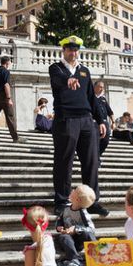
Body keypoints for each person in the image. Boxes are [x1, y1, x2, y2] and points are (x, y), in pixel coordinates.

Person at [49, 35, 108, 217]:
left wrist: (100, 120)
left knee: (91, 162)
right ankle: (61, 200)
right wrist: (67, 80)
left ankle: (92, 201)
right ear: (64, 50)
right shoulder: (56, 68)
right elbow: (58, 81)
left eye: (76, 50)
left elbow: (92, 97)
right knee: (64, 161)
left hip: (86, 120)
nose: (73, 52)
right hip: (66, 119)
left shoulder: (84, 71)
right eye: (70, 49)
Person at [54, 184, 97, 266]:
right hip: (68, 240)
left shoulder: (83, 213)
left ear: (77, 199)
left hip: (79, 239)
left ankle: (98, 253)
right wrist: (59, 227)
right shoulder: (66, 208)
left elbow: (91, 229)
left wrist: (76, 228)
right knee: (64, 237)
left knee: (88, 233)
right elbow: (60, 220)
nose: (72, 190)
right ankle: (75, 259)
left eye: (75, 190)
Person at [94, 81, 114, 156]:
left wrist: (113, 122)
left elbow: (110, 112)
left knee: (105, 141)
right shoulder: (91, 97)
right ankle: (96, 159)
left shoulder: (103, 99)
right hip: (94, 122)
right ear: (95, 87)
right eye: (100, 87)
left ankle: (97, 155)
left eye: (103, 87)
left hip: (105, 123)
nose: (102, 89)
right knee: (95, 141)